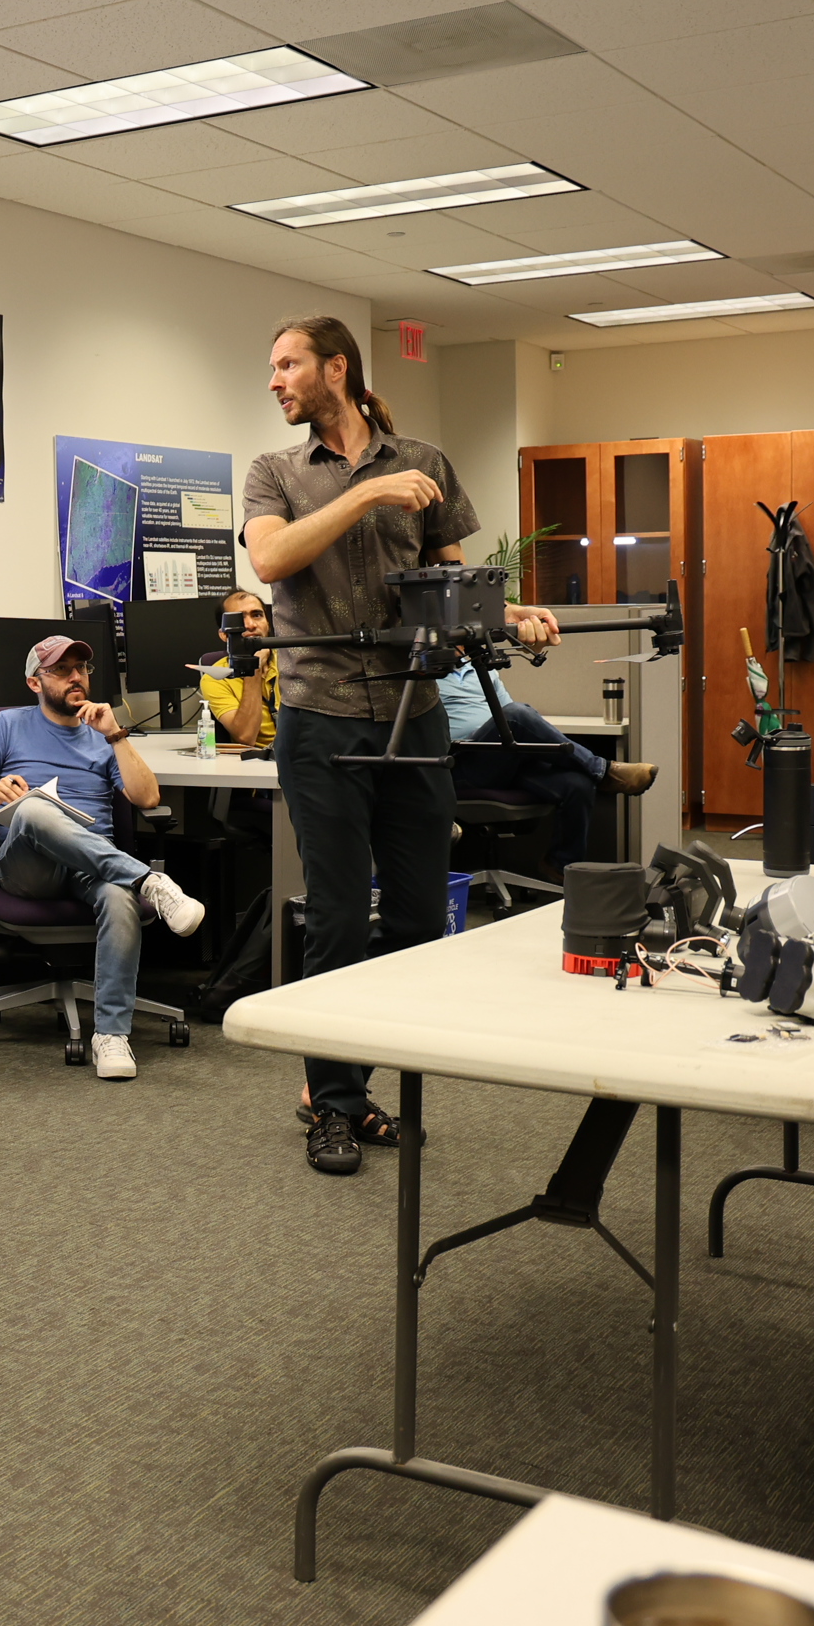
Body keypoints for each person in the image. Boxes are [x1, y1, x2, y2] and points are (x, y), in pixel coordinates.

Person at [240, 316, 559, 1176]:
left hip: (414, 713)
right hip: (321, 716)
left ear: (334, 368)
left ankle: (355, 1082)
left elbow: (456, 587)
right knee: (339, 918)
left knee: (421, 921)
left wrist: (514, 616)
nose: (274, 380)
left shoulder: (426, 460)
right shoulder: (274, 473)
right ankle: (333, 1107)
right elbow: (270, 563)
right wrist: (369, 497)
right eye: (272, 367)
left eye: (288, 364)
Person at [0, 635, 207, 1081]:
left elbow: (148, 797)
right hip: (31, 868)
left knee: (119, 899)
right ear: (35, 682)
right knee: (32, 808)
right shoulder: (9, 724)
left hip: (95, 865)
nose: (75, 677)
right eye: (61, 670)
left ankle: (110, 1035)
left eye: (81, 669)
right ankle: (149, 882)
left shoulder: (103, 734)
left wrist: (116, 734)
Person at [434, 656, 656, 871]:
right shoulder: (425, 676)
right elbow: (512, 717)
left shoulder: (483, 670)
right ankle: (604, 771)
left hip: (503, 759)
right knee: (517, 714)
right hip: (460, 763)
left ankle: (560, 866)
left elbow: (506, 719)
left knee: (577, 783)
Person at [197, 588, 279, 751]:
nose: (250, 625)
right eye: (239, 619)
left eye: (257, 615)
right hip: (261, 761)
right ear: (224, 635)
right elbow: (246, 737)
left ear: (267, 624)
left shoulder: (293, 662)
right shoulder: (214, 678)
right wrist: (254, 668)